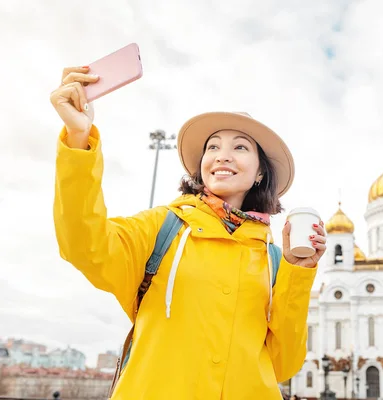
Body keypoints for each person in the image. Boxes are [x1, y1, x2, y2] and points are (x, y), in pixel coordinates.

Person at [49, 66, 327, 399]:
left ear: (259, 174)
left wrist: (299, 271)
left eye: (240, 148)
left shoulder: (274, 261)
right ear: (202, 166)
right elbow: (83, 243)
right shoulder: (162, 227)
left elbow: (283, 364)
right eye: (213, 147)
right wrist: (78, 139)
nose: (222, 155)